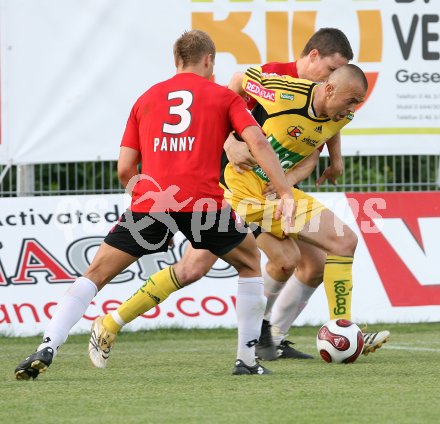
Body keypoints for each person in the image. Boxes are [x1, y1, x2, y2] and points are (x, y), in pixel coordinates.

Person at [14, 29, 295, 380]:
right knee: (251, 263)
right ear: (209, 61)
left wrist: (144, 199)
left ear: (176, 61)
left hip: (153, 201)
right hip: (203, 205)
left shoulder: (146, 98)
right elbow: (258, 143)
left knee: (96, 273)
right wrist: (284, 193)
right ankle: (246, 361)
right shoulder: (224, 97)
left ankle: (48, 343)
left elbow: (125, 168)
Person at [166, 28, 389, 360]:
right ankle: (113, 321)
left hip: (277, 187)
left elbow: (327, 124)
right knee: (193, 267)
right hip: (236, 182)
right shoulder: (278, 80)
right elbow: (234, 91)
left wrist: (333, 159)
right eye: (331, 70)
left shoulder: (334, 101)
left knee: (313, 264)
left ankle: (283, 335)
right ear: (314, 58)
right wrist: (228, 142)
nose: (333, 79)